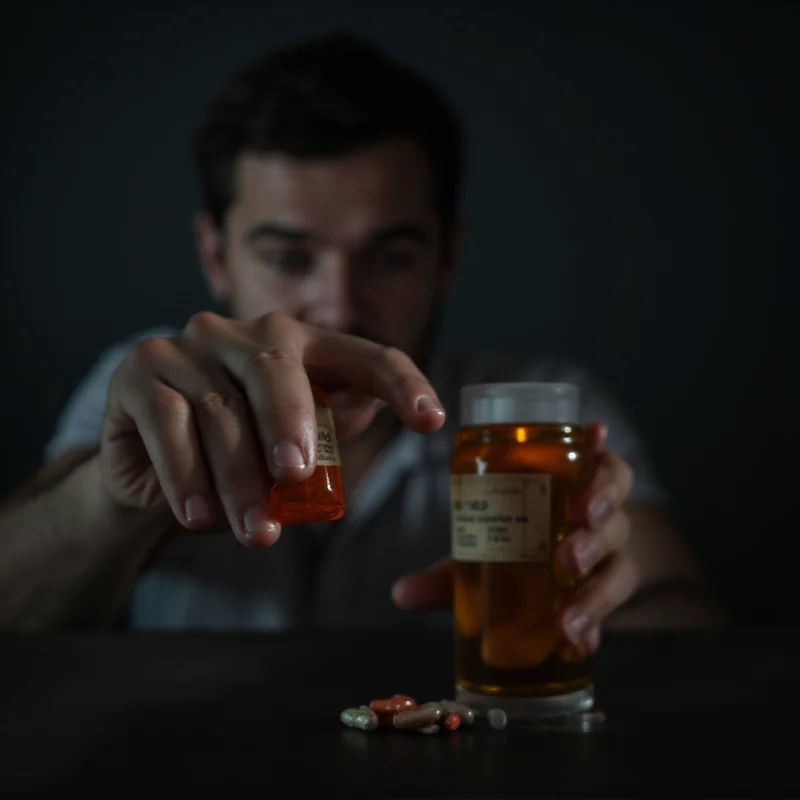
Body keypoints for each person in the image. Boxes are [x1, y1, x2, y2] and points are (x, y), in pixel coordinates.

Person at [0, 32, 724, 637]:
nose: (337, 306)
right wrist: (109, 501)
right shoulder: (145, 384)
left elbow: (686, 615)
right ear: (215, 255)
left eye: (389, 256)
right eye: (288, 257)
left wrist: (582, 606)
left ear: (449, 256)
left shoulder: (537, 412)